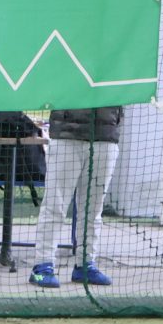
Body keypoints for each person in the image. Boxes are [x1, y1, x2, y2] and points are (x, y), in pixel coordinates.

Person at [30, 106, 122, 288]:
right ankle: (41, 268)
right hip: (66, 138)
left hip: (105, 137)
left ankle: (85, 264)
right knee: (55, 206)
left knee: (93, 210)